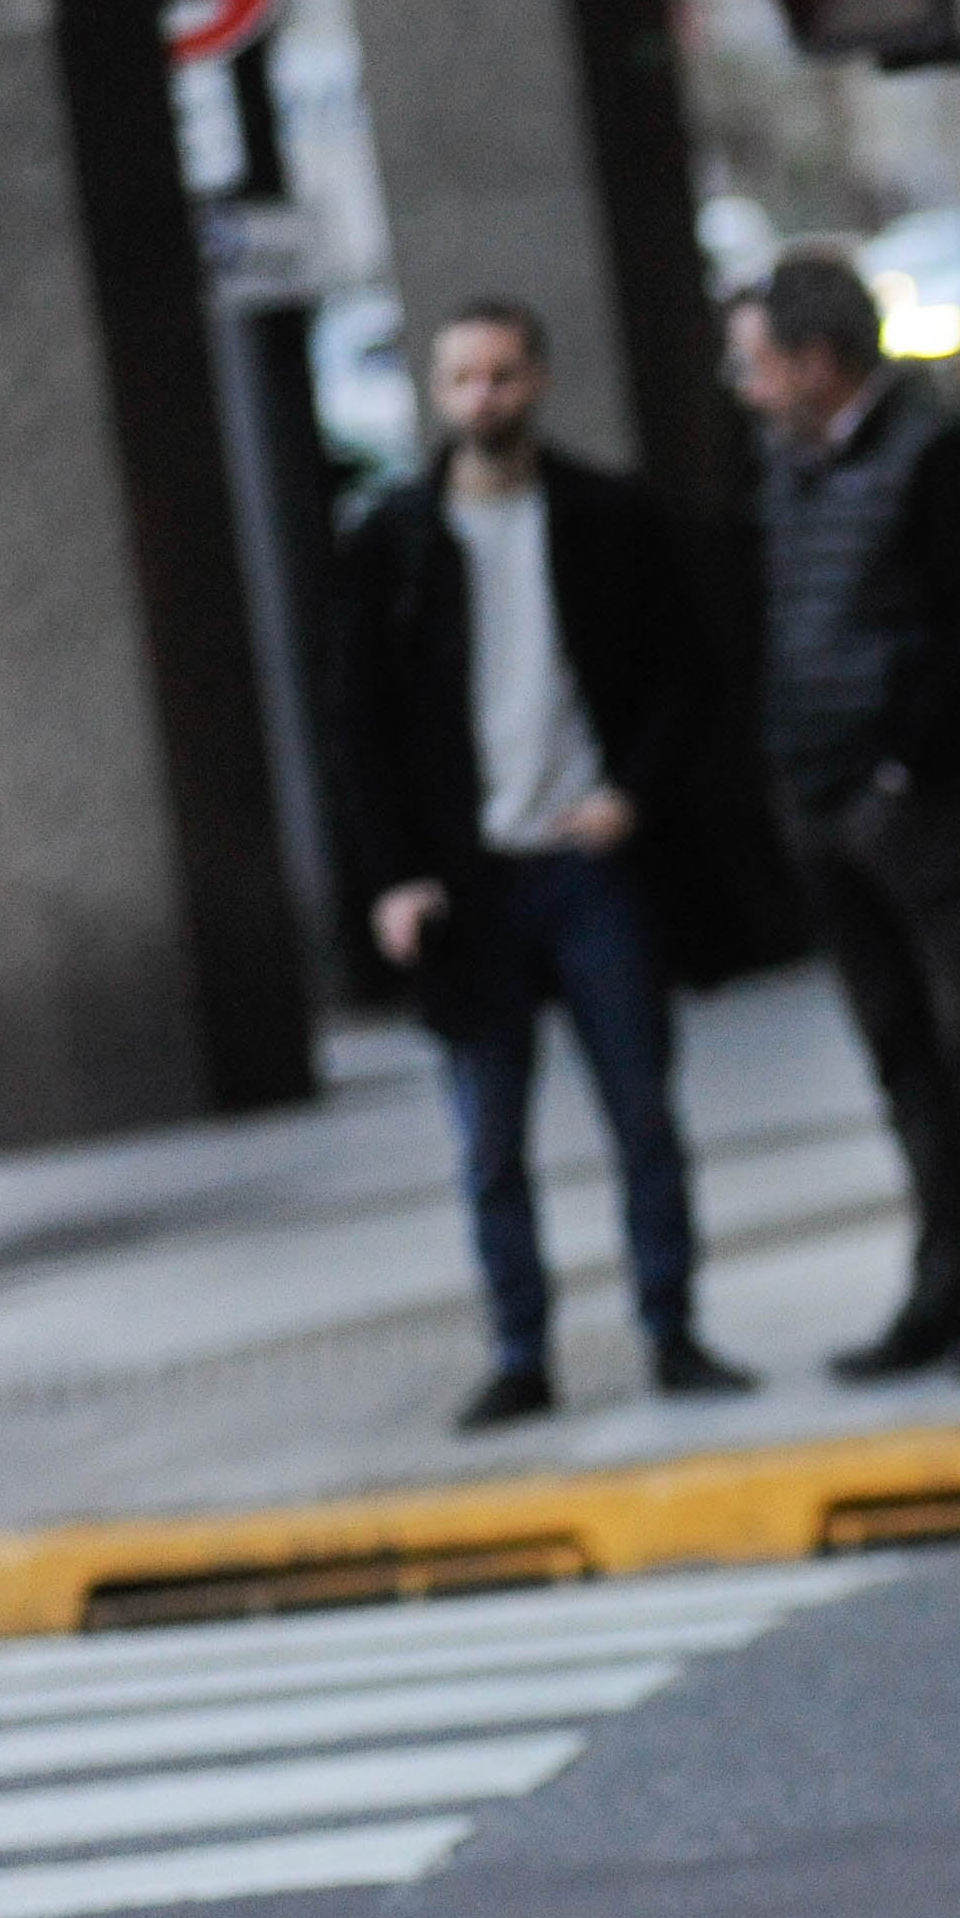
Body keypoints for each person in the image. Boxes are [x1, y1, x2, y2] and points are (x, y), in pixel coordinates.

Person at [333, 298, 756, 1431]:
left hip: (588, 866)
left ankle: (670, 1328)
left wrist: (631, 799)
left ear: (540, 380)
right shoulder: (397, 540)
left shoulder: (608, 517)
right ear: (436, 392)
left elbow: (685, 677)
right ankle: (520, 1350)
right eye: (464, 378)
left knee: (643, 1118)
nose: (485, 398)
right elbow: (361, 726)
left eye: (504, 375)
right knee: (489, 1144)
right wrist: (394, 878)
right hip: (468, 887)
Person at [729, 250, 960, 1379]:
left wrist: (901, 768)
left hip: (914, 802)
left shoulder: (936, 456)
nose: (748, 388)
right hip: (824, 799)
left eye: (759, 365)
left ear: (818, 361)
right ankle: (947, 1280)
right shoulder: (784, 469)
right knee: (900, 1054)